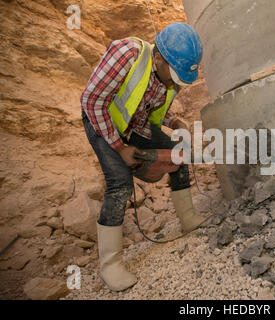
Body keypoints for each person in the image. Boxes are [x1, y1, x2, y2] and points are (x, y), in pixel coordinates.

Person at [80, 22, 206, 291]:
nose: (174, 82)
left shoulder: (169, 76)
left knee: (178, 154)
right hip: (101, 120)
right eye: (173, 76)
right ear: (158, 57)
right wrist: (119, 146)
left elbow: (147, 110)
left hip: (133, 124)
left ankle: (188, 219)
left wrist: (176, 122)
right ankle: (110, 266)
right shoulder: (127, 54)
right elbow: (92, 100)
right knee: (120, 183)